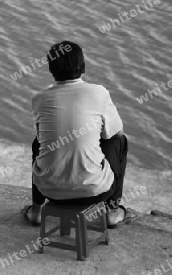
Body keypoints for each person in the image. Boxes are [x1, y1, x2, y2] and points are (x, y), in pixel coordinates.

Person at [23, 41, 133, 229]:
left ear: (51, 69)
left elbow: (45, 138)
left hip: (50, 191)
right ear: (83, 66)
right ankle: (113, 212)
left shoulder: (39, 99)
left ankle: (36, 210)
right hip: (95, 191)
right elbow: (117, 132)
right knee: (119, 141)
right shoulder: (99, 93)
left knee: (38, 143)